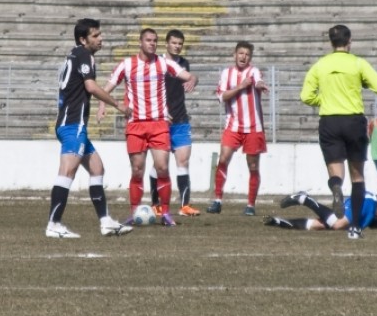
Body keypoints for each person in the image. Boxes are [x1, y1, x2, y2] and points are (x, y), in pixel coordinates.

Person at [99, 27, 195, 227]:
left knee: (162, 167)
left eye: (155, 40)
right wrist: (105, 106)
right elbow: (105, 89)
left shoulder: (163, 63)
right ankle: (134, 212)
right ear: (140, 42)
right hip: (136, 125)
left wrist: (192, 80)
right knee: (137, 170)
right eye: (149, 40)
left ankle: (166, 213)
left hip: (159, 123)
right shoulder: (127, 65)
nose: (152, 43)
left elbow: (189, 76)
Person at [46, 18, 131, 239]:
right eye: (95, 35)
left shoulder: (74, 55)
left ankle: (106, 222)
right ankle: (54, 224)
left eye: (100, 34)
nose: (100, 38)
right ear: (83, 40)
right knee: (67, 172)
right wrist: (117, 105)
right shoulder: (85, 55)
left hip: (72, 123)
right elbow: (90, 86)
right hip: (73, 124)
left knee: (97, 168)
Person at [300, 24, 377, 239]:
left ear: (331, 42)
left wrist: (326, 99)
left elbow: (306, 96)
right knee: (357, 177)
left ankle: (336, 187)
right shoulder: (357, 63)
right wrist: (363, 83)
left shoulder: (320, 65)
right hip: (353, 121)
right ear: (349, 42)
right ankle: (355, 228)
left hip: (329, 121)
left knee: (336, 173)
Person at [206, 41, 269, 216]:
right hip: (233, 125)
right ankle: (217, 200)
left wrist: (259, 85)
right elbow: (222, 96)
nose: (243, 57)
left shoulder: (253, 71)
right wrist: (241, 86)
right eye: (241, 53)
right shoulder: (227, 73)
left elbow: (258, 81)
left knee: (253, 165)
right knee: (223, 158)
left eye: (247, 54)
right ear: (235, 54)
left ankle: (250, 205)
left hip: (253, 127)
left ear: (250, 57)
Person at [148, 30, 201, 217]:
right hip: (161, 121)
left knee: (183, 162)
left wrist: (194, 79)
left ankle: (185, 205)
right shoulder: (158, 63)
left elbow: (191, 77)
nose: (177, 46)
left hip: (180, 120)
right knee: (159, 165)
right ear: (167, 44)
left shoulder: (184, 63)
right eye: (174, 43)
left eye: (180, 43)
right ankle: (156, 204)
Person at [265, 190, 377, 232]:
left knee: (322, 226)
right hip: (370, 204)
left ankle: (278, 222)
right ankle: (306, 199)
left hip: (369, 216)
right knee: (337, 225)